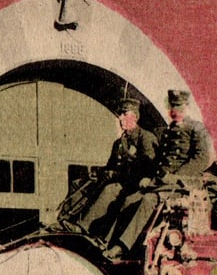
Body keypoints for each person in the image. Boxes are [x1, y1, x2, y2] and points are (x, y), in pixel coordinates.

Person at [103, 90, 213, 259]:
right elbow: (161, 161)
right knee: (129, 200)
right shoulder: (169, 131)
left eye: (179, 107)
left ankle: (122, 247)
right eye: (173, 107)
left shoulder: (196, 129)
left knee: (148, 200)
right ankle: (111, 242)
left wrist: (177, 177)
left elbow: (202, 159)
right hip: (162, 182)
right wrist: (150, 178)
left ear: (186, 107)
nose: (175, 111)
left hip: (183, 185)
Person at [59, 96, 157, 240]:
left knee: (110, 190)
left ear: (135, 117)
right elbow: (111, 165)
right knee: (80, 183)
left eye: (125, 114)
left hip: (134, 185)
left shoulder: (145, 138)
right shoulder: (119, 142)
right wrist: (101, 172)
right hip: (118, 180)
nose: (121, 119)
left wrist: (117, 175)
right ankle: (65, 219)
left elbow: (150, 167)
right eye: (120, 115)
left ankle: (82, 228)